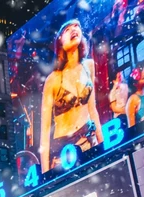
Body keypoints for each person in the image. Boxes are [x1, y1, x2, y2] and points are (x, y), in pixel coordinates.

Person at [40, 19, 104, 172]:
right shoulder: (53, 80)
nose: (74, 29)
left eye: (76, 26)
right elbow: (44, 131)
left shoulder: (89, 66)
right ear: (60, 41)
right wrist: (44, 175)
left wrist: (103, 145)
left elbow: (92, 109)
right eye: (67, 29)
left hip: (89, 139)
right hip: (64, 151)